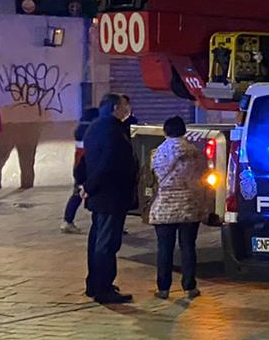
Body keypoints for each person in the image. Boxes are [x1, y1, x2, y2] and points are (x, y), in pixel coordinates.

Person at [77, 94, 138, 304]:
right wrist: (89, 186)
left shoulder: (94, 128)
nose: (127, 110)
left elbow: (85, 161)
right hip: (111, 196)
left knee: (97, 241)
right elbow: (108, 163)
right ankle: (103, 288)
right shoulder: (113, 131)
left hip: (99, 196)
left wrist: (84, 185)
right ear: (114, 108)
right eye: (124, 106)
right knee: (107, 243)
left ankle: (94, 284)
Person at [148, 116, 205, 300]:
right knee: (188, 246)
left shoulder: (157, 153)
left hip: (165, 206)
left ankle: (163, 288)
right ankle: (189, 287)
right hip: (189, 205)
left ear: (165, 131)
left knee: (165, 248)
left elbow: (154, 177)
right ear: (184, 131)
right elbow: (200, 177)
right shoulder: (194, 153)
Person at [61, 107, 100, 233]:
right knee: (81, 194)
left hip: (79, 167)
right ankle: (68, 221)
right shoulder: (90, 131)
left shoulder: (80, 129)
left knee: (77, 194)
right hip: (86, 167)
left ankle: (68, 221)